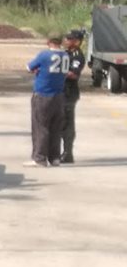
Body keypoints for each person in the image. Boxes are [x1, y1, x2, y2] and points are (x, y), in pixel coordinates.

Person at [25, 37, 69, 168]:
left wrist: (36, 70)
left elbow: (28, 67)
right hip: (59, 95)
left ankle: (39, 158)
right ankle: (54, 157)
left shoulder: (45, 55)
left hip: (43, 94)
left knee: (41, 127)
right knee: (56, 128)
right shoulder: (65, 55)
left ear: (49, 42)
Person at [61, 29, 86, 164]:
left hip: (69, 92)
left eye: (69, 39)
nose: (66, 41)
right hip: (61, 91)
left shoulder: (77, 55)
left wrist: (58, 72)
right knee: (60, 122)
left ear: (76, 42)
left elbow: (74, 74)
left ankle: (67, 153)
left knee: (67, 124)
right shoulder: (66, 53)